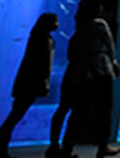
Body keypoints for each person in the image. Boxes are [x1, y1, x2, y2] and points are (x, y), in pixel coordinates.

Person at [58, 0, 120, 158]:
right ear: (97, 8)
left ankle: (67, 148)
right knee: (104, 111)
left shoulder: (80, 27)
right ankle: (103, 146)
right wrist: (114, 63)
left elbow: (71, 53)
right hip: (101, 72)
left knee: (78, 112)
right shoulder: (100, 24)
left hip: (82, 75)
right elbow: (110, 47)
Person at [0, 13, 59, 158]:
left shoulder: (39, 38)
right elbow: (42, 65)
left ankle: (1, 144)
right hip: (30, 84)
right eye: (55, 21)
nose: (57, 24)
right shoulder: (43, 41)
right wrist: (44, 82)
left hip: (26, 82)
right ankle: (0, 145)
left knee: (15, 115)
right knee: (15, 116)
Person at [46, 16, 81, 158]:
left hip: (70, 76)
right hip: (78, 77)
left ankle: (54, 145)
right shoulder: (46, 41)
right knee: (71, 112)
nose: (58, 24)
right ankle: (63, 147)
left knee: (63, 109)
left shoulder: (75, 35)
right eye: (55, 21)